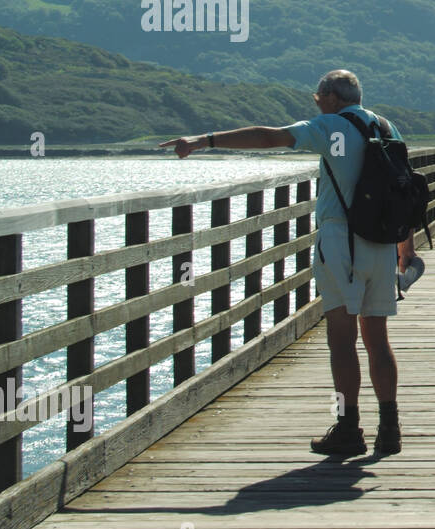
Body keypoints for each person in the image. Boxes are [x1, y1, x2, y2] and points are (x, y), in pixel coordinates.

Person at [158, 69, 417, 457]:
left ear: (330, 97)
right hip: (380, 242)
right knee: (377, 339)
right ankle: (390, 428)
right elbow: (403, 188)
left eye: (318, 96)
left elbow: (269, 136)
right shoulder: (385, 125)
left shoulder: (329, 126)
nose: (316, 102)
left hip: (340, 239)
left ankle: (349, 429)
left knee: (342, 340)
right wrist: (404, 246)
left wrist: (204, 141)